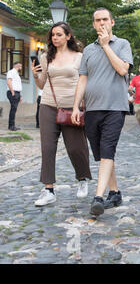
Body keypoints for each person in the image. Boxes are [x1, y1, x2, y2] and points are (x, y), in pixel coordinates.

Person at [72, 7, 133, 217]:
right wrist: (75, 106)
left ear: (112, 22)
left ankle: (98, 198)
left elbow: (123, 69)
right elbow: (83, 79)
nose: (101, 23)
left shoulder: (122, 44)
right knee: (102, 154)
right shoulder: (88, 50)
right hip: (92, 109)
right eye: (97, 20)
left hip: (115, 108)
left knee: (108, 149)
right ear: (93, 24)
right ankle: (115, 192)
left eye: (105, 19)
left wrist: (106, 46)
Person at [31, 21, 92, 207]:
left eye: (58, 34)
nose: (54, 38)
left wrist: (82, 104)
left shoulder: (80, 57)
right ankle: (48, 189)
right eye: (53, 35)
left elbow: (84, 82)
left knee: (75, 147)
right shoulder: (46, 57)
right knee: (47, 148)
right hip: (49, 104)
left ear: (68, 36)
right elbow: (42, 85)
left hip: (71, 106)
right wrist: (35, 76)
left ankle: (82, 179)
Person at [6, 62, 23, 131]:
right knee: (13, 109)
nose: (21, 67)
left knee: (14, 109)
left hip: (17, 93)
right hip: (12, 92)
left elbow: (17, 85)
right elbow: (9, 82)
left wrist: (20, 95)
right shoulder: (11, 72)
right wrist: (12, 92)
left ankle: (12, 125)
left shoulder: (17, 74)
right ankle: (11, 126)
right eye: (21, 66)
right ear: (18, 65)